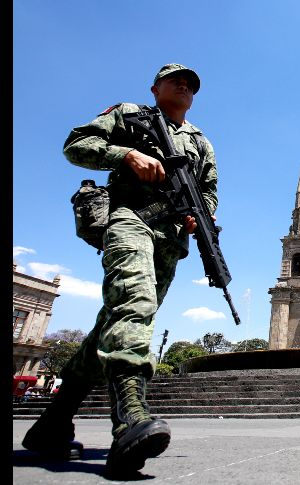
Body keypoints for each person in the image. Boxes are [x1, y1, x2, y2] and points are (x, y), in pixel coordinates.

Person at [22, 64, 219, 477]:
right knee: (136, 301)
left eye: (191, 84)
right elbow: (75, 145)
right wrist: (125, 154)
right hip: (129, 219)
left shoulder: (201, 142)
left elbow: (209, 190)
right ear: (156, 87)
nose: (184, 85)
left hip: (170, 240)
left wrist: (201, 218)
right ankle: (131, 418)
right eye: (176, 79)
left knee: (112, 323)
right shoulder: (129, 114)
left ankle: (52, 424)